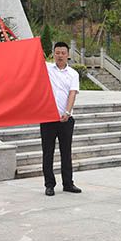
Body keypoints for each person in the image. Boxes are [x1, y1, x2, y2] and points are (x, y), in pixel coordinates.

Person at [42, 41, 82, 196]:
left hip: (66, 118)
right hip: (47, 117)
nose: (60, 56)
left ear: (68, 55)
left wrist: (67, 111)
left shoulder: (73, 74)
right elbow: (33, 59)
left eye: (63, 53)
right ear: (53, 54)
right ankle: (49, 184)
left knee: (66, 152)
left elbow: (72, 93)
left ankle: (68, 183)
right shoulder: (46, 68)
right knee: (48, 152)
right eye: (57, 53)